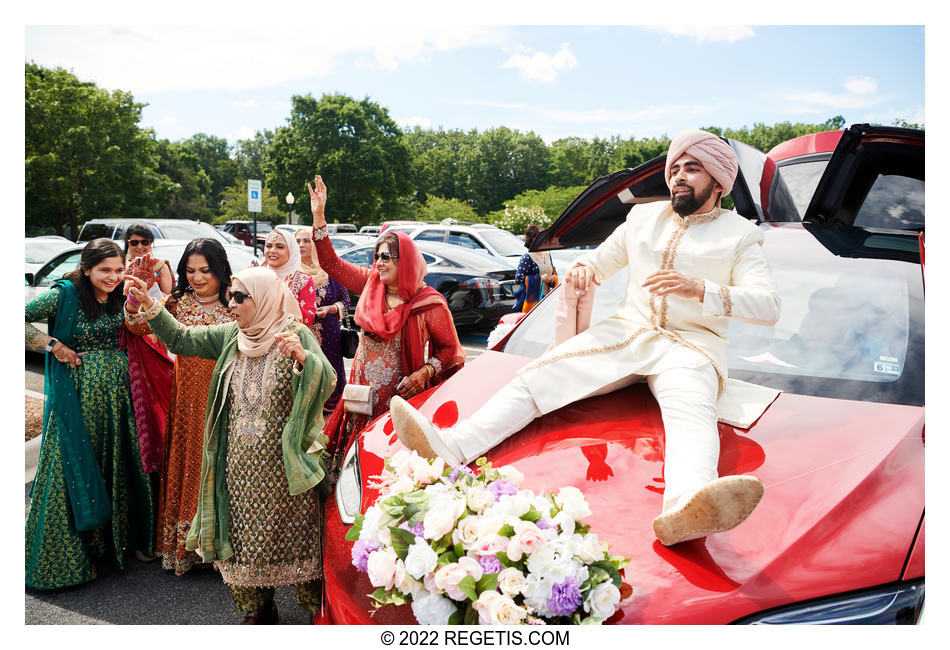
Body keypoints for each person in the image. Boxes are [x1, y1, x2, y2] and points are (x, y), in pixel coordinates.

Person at [390, 130, 781, 547]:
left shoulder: (741, 235)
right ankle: (452, 446)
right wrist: (582, 268)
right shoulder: (643, 219)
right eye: (676, 168)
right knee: (540, 374)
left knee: (692, 408)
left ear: (719, 183)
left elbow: (767, 305)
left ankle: (686, 510)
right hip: (627, 335)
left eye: (693, 168)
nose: (679, 177)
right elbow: (599, 261)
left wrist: (701, 289)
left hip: (692, 346)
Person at [126, 266, 335, 624]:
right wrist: (149, 304)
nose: (232, 303)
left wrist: (303, 359)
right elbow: (181, 339)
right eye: (231, 296)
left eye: (241, 297)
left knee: (298, 540)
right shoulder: (230, 335)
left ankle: (316, 611)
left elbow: (327, 379)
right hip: (237, 466)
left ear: (266, 298)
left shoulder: (295, 333)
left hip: (286, 467)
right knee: (243, 540)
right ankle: (259, 607)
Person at [25, 238, 156, 590]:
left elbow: (142, 332)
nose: (113, 277)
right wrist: (53, 346)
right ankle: (74, 553)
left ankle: (125, 541)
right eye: (105, 271)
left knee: (121, 462)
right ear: (87, 269)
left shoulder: (122, 294)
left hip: (120, 396)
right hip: (77, 399)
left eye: (118, 270)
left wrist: (138, 299)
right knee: (78, 464)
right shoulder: (64, 294)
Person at [306, 175, 466, 460]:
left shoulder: (428, 303)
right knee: (350, 460)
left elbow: (450, 351)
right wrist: (319, 216)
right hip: (360, 395)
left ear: (404, 261)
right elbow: (330, 262)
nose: (378, 262)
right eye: (377, 256)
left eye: (387, 257)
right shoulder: (371, 284)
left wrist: (425, 372)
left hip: (399, 400)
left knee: (387, 463)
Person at [125, 238, 235, 575]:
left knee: (223, 466)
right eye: (191, 271)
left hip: (226, 397)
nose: (199, 277)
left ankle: (223, 549)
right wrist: (136, 297)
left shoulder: (237, 302)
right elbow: (138, 326)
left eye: (206, 270)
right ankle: (188, 547)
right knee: (192, 465)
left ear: (220, 270)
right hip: (187, 399)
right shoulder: (178, 303)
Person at [295, 226, 350, 414]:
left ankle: (333, 422)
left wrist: (331, 308)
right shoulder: (292, 273)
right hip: (303, 335)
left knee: (331, 375)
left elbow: (346, 300)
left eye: (306, 241)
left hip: (329, 335)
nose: (301, 245)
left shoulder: (329, 270)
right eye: (297, 242)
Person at [261, 228, 317, 327]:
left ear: (291, 250)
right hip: (255, 339)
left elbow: (308, 319)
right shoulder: (255, 275)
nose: (272, 251)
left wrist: (287, 296)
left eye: (280, 247)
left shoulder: (303, 280)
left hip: (288, 339)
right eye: (268, 246)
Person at [514, 224, 558, 312]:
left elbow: (552, 273)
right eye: (541, 237)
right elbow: (519, 279)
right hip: (532, 300)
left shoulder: (547, 255)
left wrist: (553, 278)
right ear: (534, 239)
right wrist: (540, 278)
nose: (544, 240)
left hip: (547, 298)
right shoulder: (527, 257)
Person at [124, 223, 174, 294]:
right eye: (135, 242)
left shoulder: (160, 266)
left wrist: (149, 285)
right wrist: (124, 278)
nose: (140, 246)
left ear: (150, 243)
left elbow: (167, 298)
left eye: (144, 242)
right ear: (129, 243)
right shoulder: (121, 266)